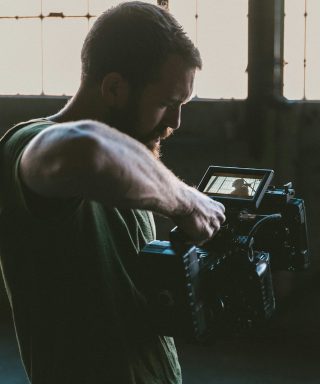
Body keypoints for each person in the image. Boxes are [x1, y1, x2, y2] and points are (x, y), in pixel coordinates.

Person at [0, 2, 225, 383]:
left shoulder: (129, 162)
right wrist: (187, 202)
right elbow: (85, 150)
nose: (175, 121)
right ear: (114, 88)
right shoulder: (26, 144)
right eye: (166, 104)